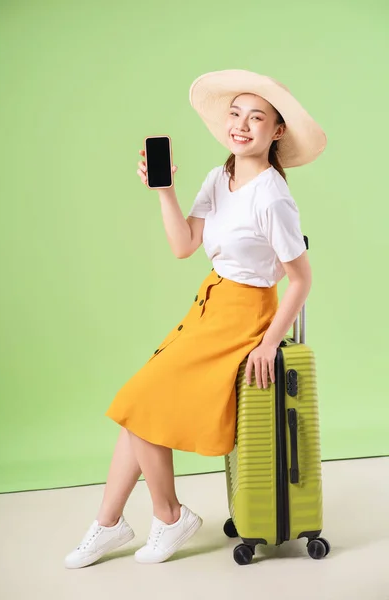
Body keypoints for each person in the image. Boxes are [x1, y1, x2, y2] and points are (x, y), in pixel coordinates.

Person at [64, 69, 326, 568]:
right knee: (138, 408)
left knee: (140, 402)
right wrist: (164, 191)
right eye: (236, 115)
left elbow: (300, 279)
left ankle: (168, 516)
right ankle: (109, 523)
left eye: (257, 118)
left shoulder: (272, 195)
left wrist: (270, 343)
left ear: (277, 132)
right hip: (209, 304)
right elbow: (184, 245)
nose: (242, 125)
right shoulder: (218, 177)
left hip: (244, 315)